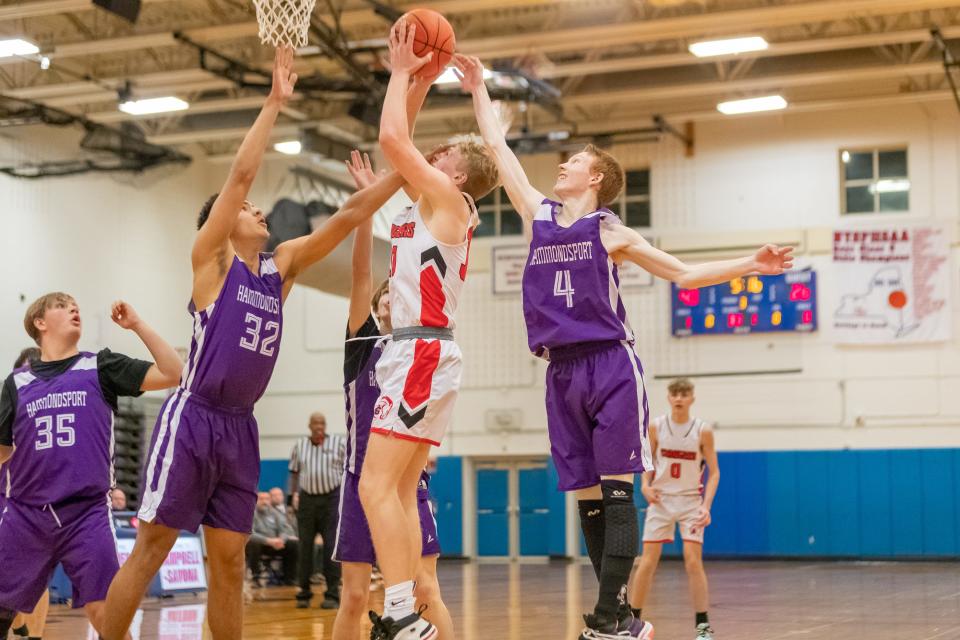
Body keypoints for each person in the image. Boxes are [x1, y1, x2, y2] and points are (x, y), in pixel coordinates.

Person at [455, 54, 792, 640]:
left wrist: (751, 264)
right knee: (587, 501)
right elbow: (498, 147)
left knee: (617, 494)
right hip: (559, 371)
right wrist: (480, 88)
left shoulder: (610, 231)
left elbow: (683, 275)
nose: (563, 164)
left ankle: (608, 616)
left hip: (610, 366)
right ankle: (624, 618)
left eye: (575, 162)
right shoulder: (539, 214)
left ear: (596, 180)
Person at [100, 46, 407, 640]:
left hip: (240, 426)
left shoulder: (281, 267)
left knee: (230, 560)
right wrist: (273, 102)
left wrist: (407, 169)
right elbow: (239, 176)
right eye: (248, 209)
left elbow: (346, 217)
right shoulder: (211, 261)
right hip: (193, 418)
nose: (259, 209)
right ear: (223, 221)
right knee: (151, 549)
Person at [358, 22, 498, 640]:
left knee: (374, 485)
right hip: (424, 351)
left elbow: (392, 137)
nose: (430, 154)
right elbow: (402, 136)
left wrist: (397, 71)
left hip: (419, 349)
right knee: (403, 487)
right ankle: (407, 601)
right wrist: (421, 77)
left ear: (458, 176)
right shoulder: (430, 204)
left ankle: (399, 610)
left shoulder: (445, 197)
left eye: (443, 155)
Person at [0, 294, 182, 639]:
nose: (74, 308)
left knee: (107, 616)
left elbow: (174, 373)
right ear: (40, 323)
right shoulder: (16, 384)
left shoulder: (100, 366)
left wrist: (137, 325)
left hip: (86, 514)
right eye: (61, 305)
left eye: (75, 304)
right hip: (26, 515)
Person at [331, 152, 453, 640]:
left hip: (406, 485)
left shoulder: (423, 351)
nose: (386, 298)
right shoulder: (364, 344)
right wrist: (364, 211)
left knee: (426, 588)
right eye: (383, 296)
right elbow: (361, 275)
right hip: (360, 478)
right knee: (356, 597)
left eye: (391, 294)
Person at [628, 378, 719, 639]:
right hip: (661, 500)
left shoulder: (703, 430)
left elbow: (715, 473)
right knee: (647, 562)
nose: (679, 398)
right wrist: (645, 485)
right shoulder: (657, 426)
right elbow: (646, 461)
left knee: (693, 562)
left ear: (692, 398)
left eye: (684, 393)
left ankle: (702, 626)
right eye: (674, 393)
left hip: (691, 502)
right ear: (668, 397)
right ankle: (634, 622)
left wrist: (706, 506)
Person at [5, 347, 48, 640]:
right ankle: (18, 623)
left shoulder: (54, 408)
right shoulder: (7, 404)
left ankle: (34, 636)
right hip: (5, 498)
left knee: (37, 578)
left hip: (35, 504)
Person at [289, 412, 346, 609]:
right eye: (316, 423)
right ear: (309, 425)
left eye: (322, 423)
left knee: (330, 547)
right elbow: (294, 474)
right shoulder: (300, 446)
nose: (319, 426)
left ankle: (332, 594)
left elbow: (347, 471)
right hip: (307, 501)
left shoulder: (338, 444)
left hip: (331, 499)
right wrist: (291, 499)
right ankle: (303, 593)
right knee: (305, 547)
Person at [246, 492, 299, 586]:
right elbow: (250, 533)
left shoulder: (274, 513)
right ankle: (255, 576)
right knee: (252, 542)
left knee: (293, 544)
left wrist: (281, 540)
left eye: (266, 499)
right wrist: (268, 541)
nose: (264, 502)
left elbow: (285, 530)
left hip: (276, 544)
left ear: (270, 501)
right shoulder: (250, 513)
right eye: (261, 499)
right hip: (260, 545)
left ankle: (289, 578)